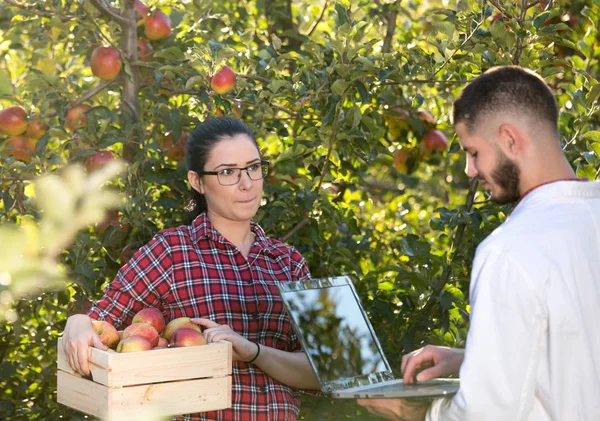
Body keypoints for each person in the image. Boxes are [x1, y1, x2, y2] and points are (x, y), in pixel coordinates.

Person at [358, 66, 600, 420]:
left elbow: (487, 412)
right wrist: (472, 357)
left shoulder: (509, 250)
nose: (470, 171)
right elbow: (577, 347)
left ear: (510, 140)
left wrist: (415, 413)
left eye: (473, 153)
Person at [62, 116, 320, 421]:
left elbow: (321, 372)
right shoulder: (172, 251)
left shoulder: (288, 261)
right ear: (197, 181)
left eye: (253, 167)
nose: (247, 183)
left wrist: (251, 351)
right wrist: (78, 322)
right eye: (227, 172)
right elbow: (102, 325)